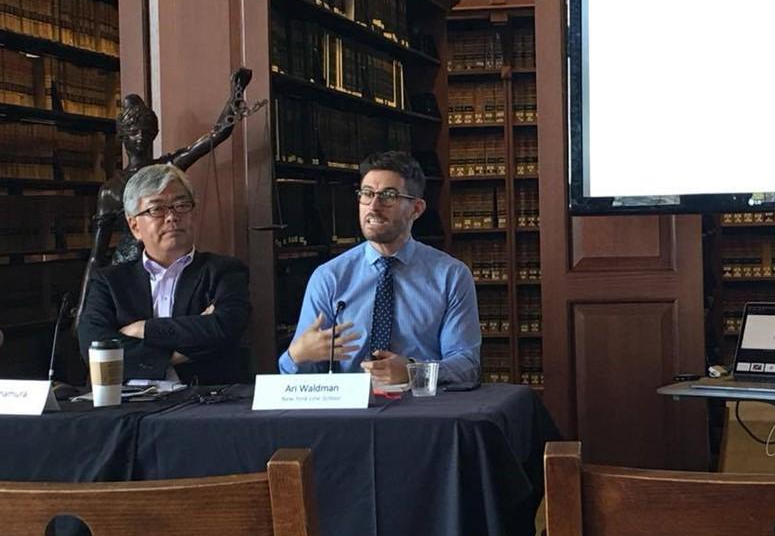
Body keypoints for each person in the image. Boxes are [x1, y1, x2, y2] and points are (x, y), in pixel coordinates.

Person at [278, 151, 481, 385]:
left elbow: (467, 365)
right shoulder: (329, 277)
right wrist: (296, 356)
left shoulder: (451, 276)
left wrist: (414, 371)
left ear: (416, 209)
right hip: (351, 405)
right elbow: (299, 379)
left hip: (422, 403)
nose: (373, 206)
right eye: (367, 194)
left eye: (388, 196)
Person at [74, 67, 257, 325]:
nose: (141, 137)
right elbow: (96, 255)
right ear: (122, 137)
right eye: (134, 131)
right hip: (128, 270)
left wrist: (237, 93)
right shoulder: (111, 190)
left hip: (173, 263)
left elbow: (217, 135)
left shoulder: (167, 170)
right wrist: (83, 308)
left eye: (146, 131)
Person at [78, 164, 251, 383]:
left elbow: (225, 329)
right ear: (134, 226)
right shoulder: (109, 282)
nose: (172, 217)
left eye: (181, 206)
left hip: (208, 397)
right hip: (129, 399)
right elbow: (95, 348)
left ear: (193, 214)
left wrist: (144, 329)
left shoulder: (225, 271)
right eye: (156, 209)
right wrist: (175, 354)